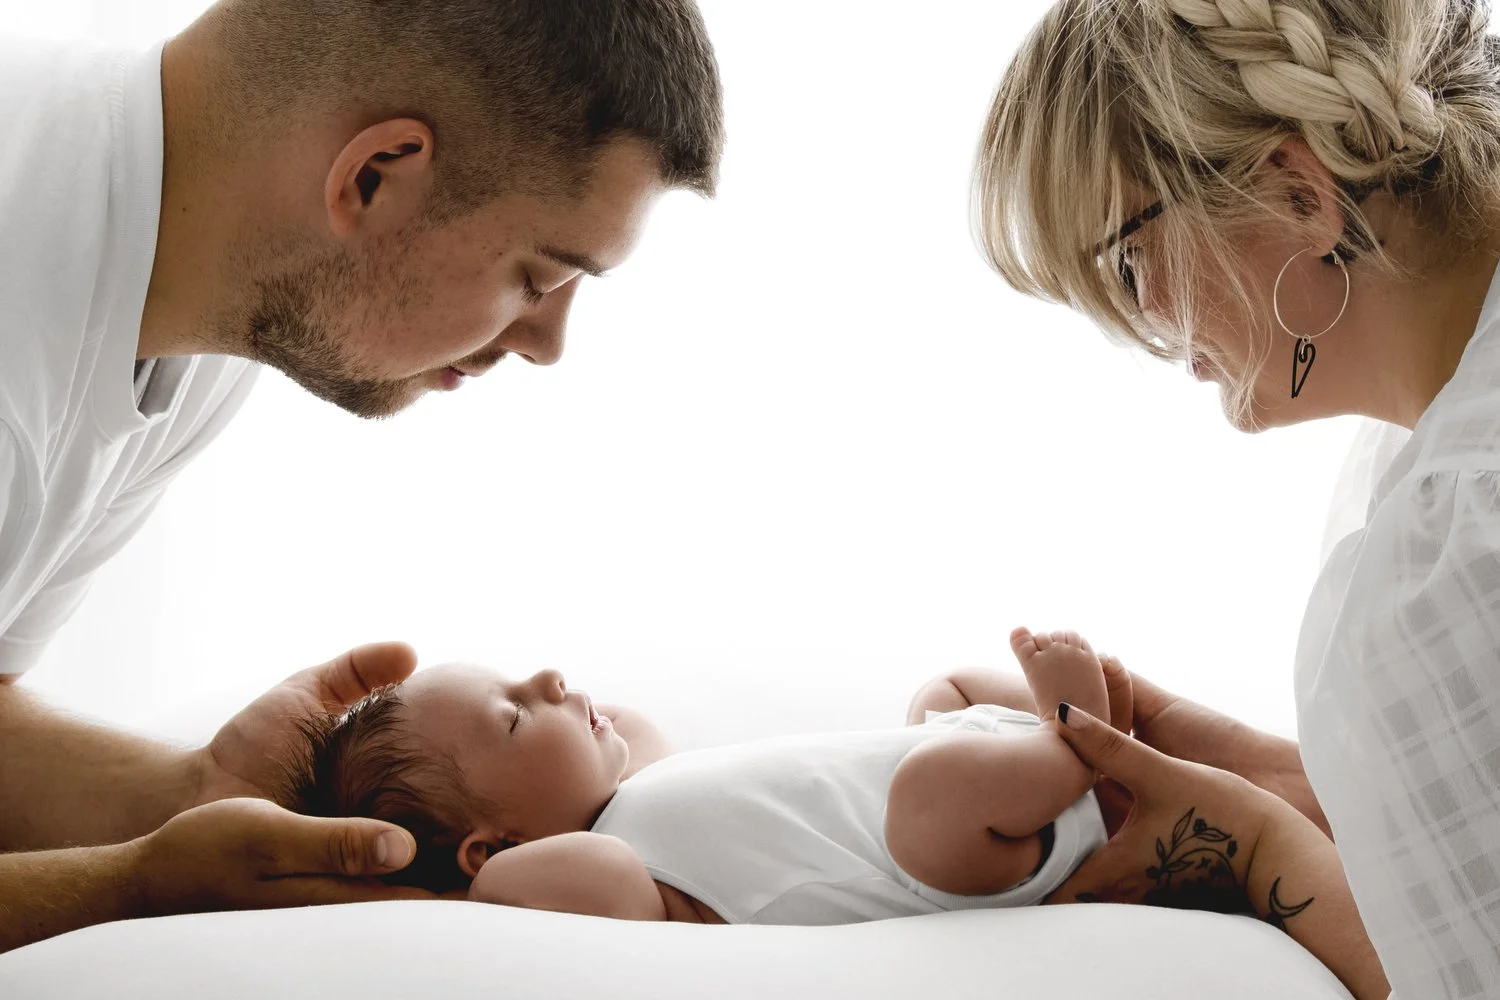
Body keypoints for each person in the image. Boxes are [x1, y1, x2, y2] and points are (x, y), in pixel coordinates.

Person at [0, 0, 723, 954]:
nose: (547, 342)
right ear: (375, 174)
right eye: (539, 277)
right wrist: (131, 890)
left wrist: (188, 799)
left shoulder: (193, 327)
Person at [976, 0, 1500, 996]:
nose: (1149, 332)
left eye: (1128, 266)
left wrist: (1262, 850)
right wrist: (1313, 783)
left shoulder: (1454, 541)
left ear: (1298, 192)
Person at [280, 627, 1379, 997]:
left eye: (527, 676)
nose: (554, 680)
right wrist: (467, 875)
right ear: (488, 848)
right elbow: (533, 898)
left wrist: (559, 732)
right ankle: (1074, 739)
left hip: (935, 762)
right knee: (931, 794)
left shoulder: (635, 789)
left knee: (940, 698)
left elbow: (644, 735)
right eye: (518, 717)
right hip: (942, 848)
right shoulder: (592, 869)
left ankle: (1088, 742)